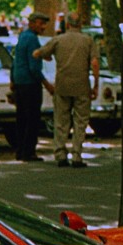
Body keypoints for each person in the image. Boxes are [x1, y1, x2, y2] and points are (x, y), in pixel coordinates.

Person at [34, 11, 98, 168]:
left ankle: (61, 154)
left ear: (67, 24)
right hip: (82, 86)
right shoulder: (88, 41)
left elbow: (37, 53)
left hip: (62, 85)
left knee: (61, 120)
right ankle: (77, 155)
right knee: (80, 121)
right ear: (80, 25)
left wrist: (47, 56)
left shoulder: (58, 40)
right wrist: (95, 84)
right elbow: (95, 63)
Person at [9, 12, 53, 161]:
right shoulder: (32, 39)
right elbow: (34, 67)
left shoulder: (22, 37)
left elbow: (15, 60)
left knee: (21, 117)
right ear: (33, 23)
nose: (43, 27)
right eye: (41, 23)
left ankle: (20, 150)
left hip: (20, 81)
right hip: (30, 83)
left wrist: (12, 79)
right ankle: (29, 151)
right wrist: (47, 85)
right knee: (32, 118)